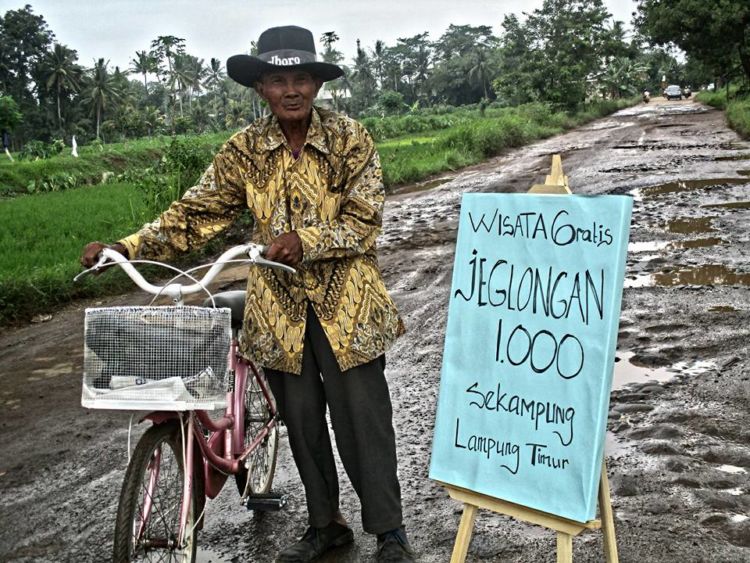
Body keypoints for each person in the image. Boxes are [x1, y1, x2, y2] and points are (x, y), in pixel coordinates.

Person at [80, 25, 415, 563]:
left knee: (363, 421)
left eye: (301, 78)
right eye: (277, 79)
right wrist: (126, 245)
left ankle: (389, 530)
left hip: (348, 306)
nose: (291, 90)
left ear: (316, 85)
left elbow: (365, 220)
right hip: (278, 310)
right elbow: (196, 212)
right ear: (260, 87)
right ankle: (325, 524)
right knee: (302, 424)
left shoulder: (352, 139)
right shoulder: (244, 150)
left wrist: (304, 240)